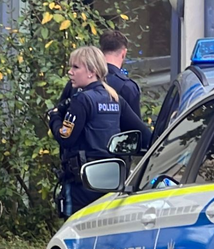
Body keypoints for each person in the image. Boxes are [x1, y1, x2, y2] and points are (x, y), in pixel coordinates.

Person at [48, 46, 151, 217]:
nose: (69, 72)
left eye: (75, 67)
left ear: (91, 71)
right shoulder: (114, 98)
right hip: (111, 182)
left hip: (82, 185)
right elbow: (144, 136)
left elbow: (65, 138)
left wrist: (54, 118)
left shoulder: (82, 100)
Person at [58, 29, 144, 120]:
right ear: (124, 53)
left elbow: (60, 114)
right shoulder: (127, 87)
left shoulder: (78, 79)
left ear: (100, 51)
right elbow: (136, 130)